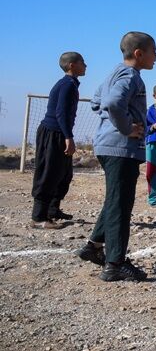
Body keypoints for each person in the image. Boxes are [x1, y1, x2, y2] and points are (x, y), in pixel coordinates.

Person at [75, 32, 156, 282]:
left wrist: (114, 122)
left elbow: (97, 101)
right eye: (154, 51)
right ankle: (115, 264)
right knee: (121, 206)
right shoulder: (131, 76)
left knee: (114, 200)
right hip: (120, 148)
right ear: (139, 54)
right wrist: (126, 128)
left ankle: (93, 246)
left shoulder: (114, 73)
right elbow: (111, 103)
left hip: (108, 146)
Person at [30, 52, 87, 228]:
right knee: (49, 173)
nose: (85, 66)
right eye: (82, 62)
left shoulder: (71, 84)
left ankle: (53, 210)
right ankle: (39, 217)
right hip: (53, 133)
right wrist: (68, 137)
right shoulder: (66, 85)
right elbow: (60, 112)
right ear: (71, 65)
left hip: (60, 132)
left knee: (64, 174)